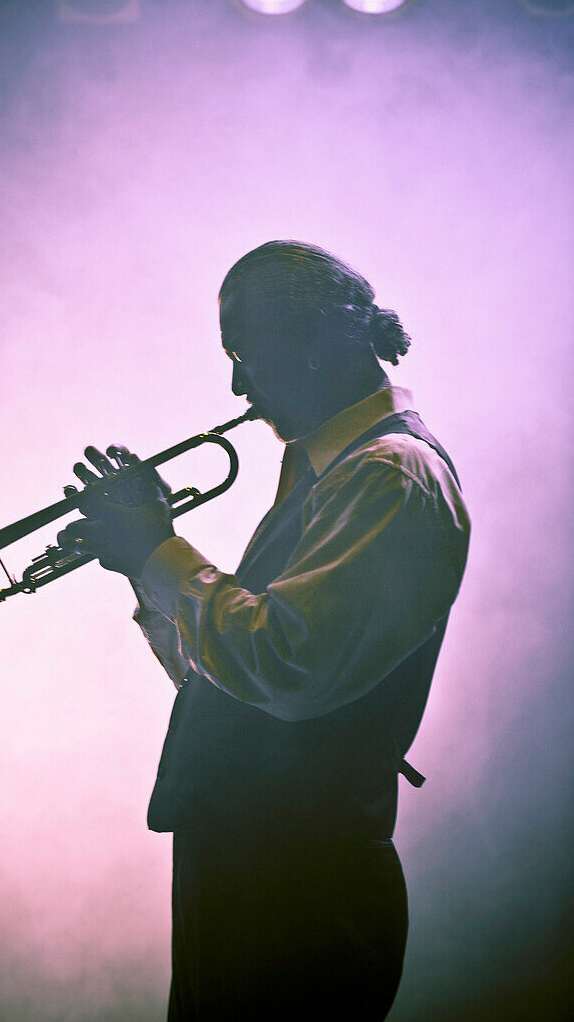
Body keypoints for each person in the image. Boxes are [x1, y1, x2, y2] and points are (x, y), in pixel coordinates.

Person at [59, 241, 470, 1020]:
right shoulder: (329, 470)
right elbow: (235, 680)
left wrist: (158, 548)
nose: (237, 383)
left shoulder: (385, 473)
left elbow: (287, 668)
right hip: (255, 874)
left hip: (300, 893)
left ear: (314, 343)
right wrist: (145, 575)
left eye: (245, 354)